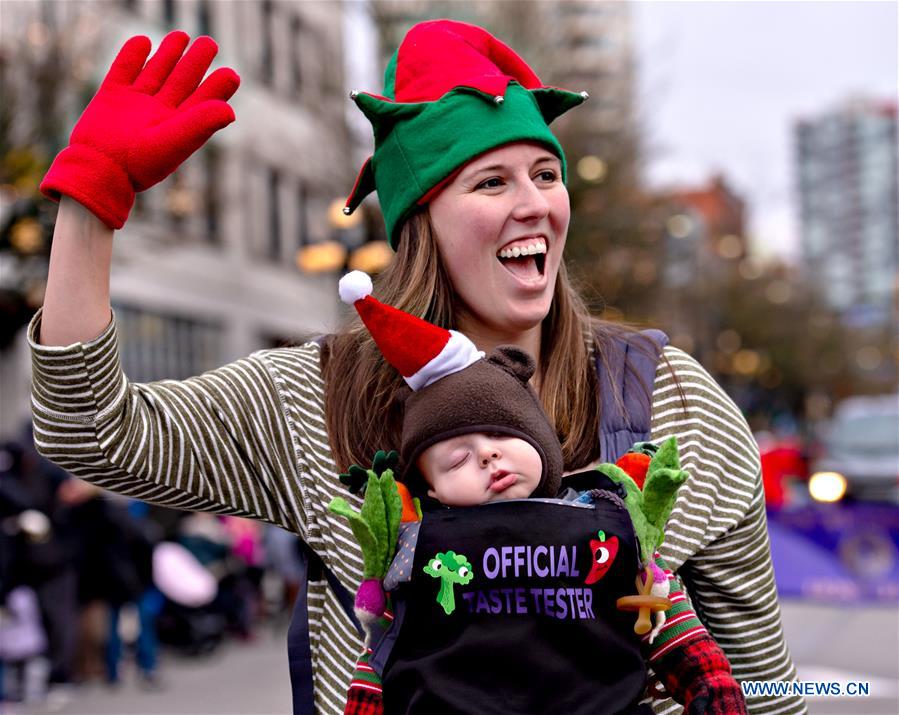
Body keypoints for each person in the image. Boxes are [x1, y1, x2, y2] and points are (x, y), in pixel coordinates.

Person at [28, 20, 806, 715]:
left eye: (545, 173)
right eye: (491, 181)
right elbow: (90, 430)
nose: (534, 202)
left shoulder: (673, 398)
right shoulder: (316, 396)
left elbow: (763, 683)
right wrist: (91, 201)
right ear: (420, 224)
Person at [329, 272, 747, 714]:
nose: (488, 456)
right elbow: (379, 656)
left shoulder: (605, 515)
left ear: (541, 440)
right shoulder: (415, 546)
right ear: (430, 487)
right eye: (457, 459)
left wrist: (713, 687)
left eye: (500, 434)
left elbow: (663, 616)